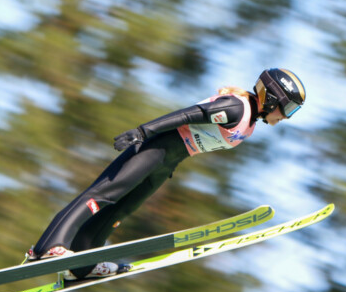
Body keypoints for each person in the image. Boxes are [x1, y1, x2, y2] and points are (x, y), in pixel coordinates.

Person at [24, 68, 306, 279]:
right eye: (287, 108)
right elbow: (187, 114)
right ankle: (48, 247)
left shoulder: (249, 123)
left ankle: (82, 265)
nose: (286, 116)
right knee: (102, 195)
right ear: (272, 98)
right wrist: (142, 132)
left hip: (168, 163)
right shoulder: (236, 108)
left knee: (119, 211)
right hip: (156, 147)